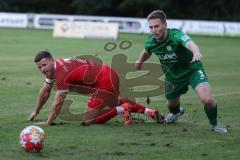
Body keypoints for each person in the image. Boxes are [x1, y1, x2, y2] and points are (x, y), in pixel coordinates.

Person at [135, 10, 227, 133]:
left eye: (157, 26)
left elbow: (190, 43)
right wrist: (139, 61)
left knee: (207, 99)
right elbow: (146, 51)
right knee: (171, 105)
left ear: (165, 25)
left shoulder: (176, 35)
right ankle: (177, 112)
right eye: (151, 27)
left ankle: (215, 124)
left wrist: (196, 52)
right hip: (172, 76)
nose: (153, 30)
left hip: (192, 70)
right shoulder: (151, 41)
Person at [27, 51, 164, 126]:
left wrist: (48, 121)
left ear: (52, 61)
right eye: (39, 67)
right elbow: (45, 90)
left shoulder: (61, 73)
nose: (42, 69)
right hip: (106, 74)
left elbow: (58, 102)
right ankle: (149, 112)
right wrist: (36, 111)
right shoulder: (55, 68)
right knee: (114, 100)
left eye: (44, 65)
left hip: (104, 80)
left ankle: (123, 108)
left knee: (88, 121)